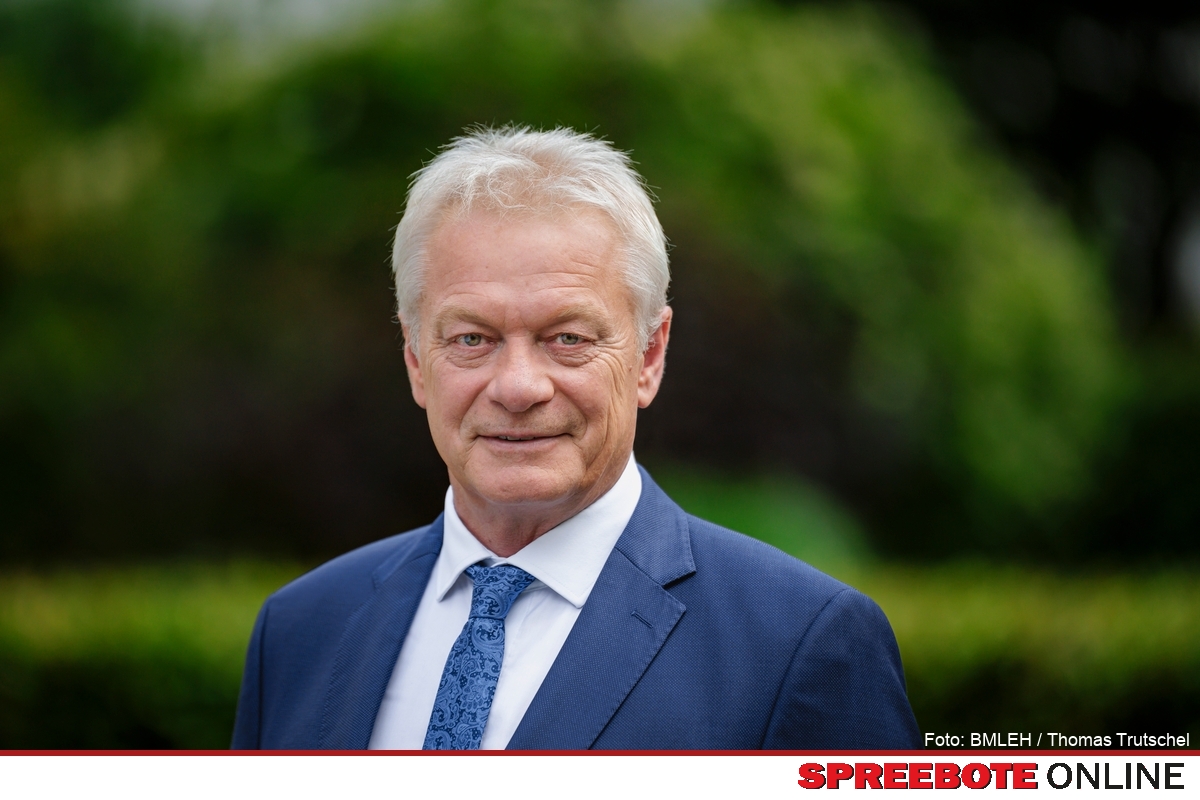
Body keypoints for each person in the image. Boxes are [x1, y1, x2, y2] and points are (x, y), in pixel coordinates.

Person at [231, 126, 921, 750]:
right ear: (416, 359)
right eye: (472, 338)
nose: (518, 387)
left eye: (567, 338)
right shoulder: (298, 633)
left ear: (650, 355)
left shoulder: (801, 646)